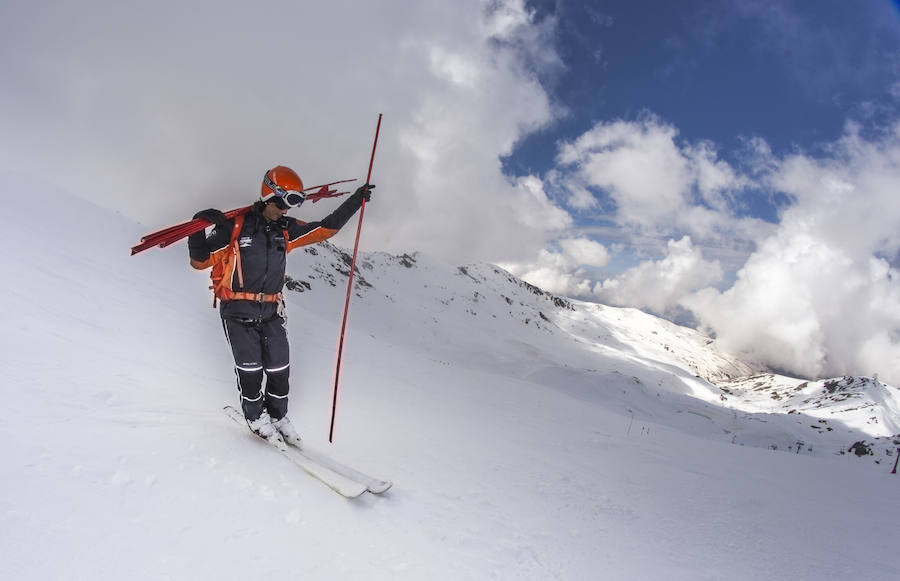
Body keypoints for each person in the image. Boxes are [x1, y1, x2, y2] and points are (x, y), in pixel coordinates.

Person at [188, 165, 373, 448]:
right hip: (237, 312)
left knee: (279, 369)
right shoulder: (236, 227)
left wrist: (355, 201)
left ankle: (278, 416)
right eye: (281, 204)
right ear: (269, 196)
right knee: (250, 372)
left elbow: (324, 230)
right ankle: (254, 417)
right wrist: (199, 228)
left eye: (289, 205)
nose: (284, 211)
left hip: (271, 312)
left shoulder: (285, 230)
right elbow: (200, 261)